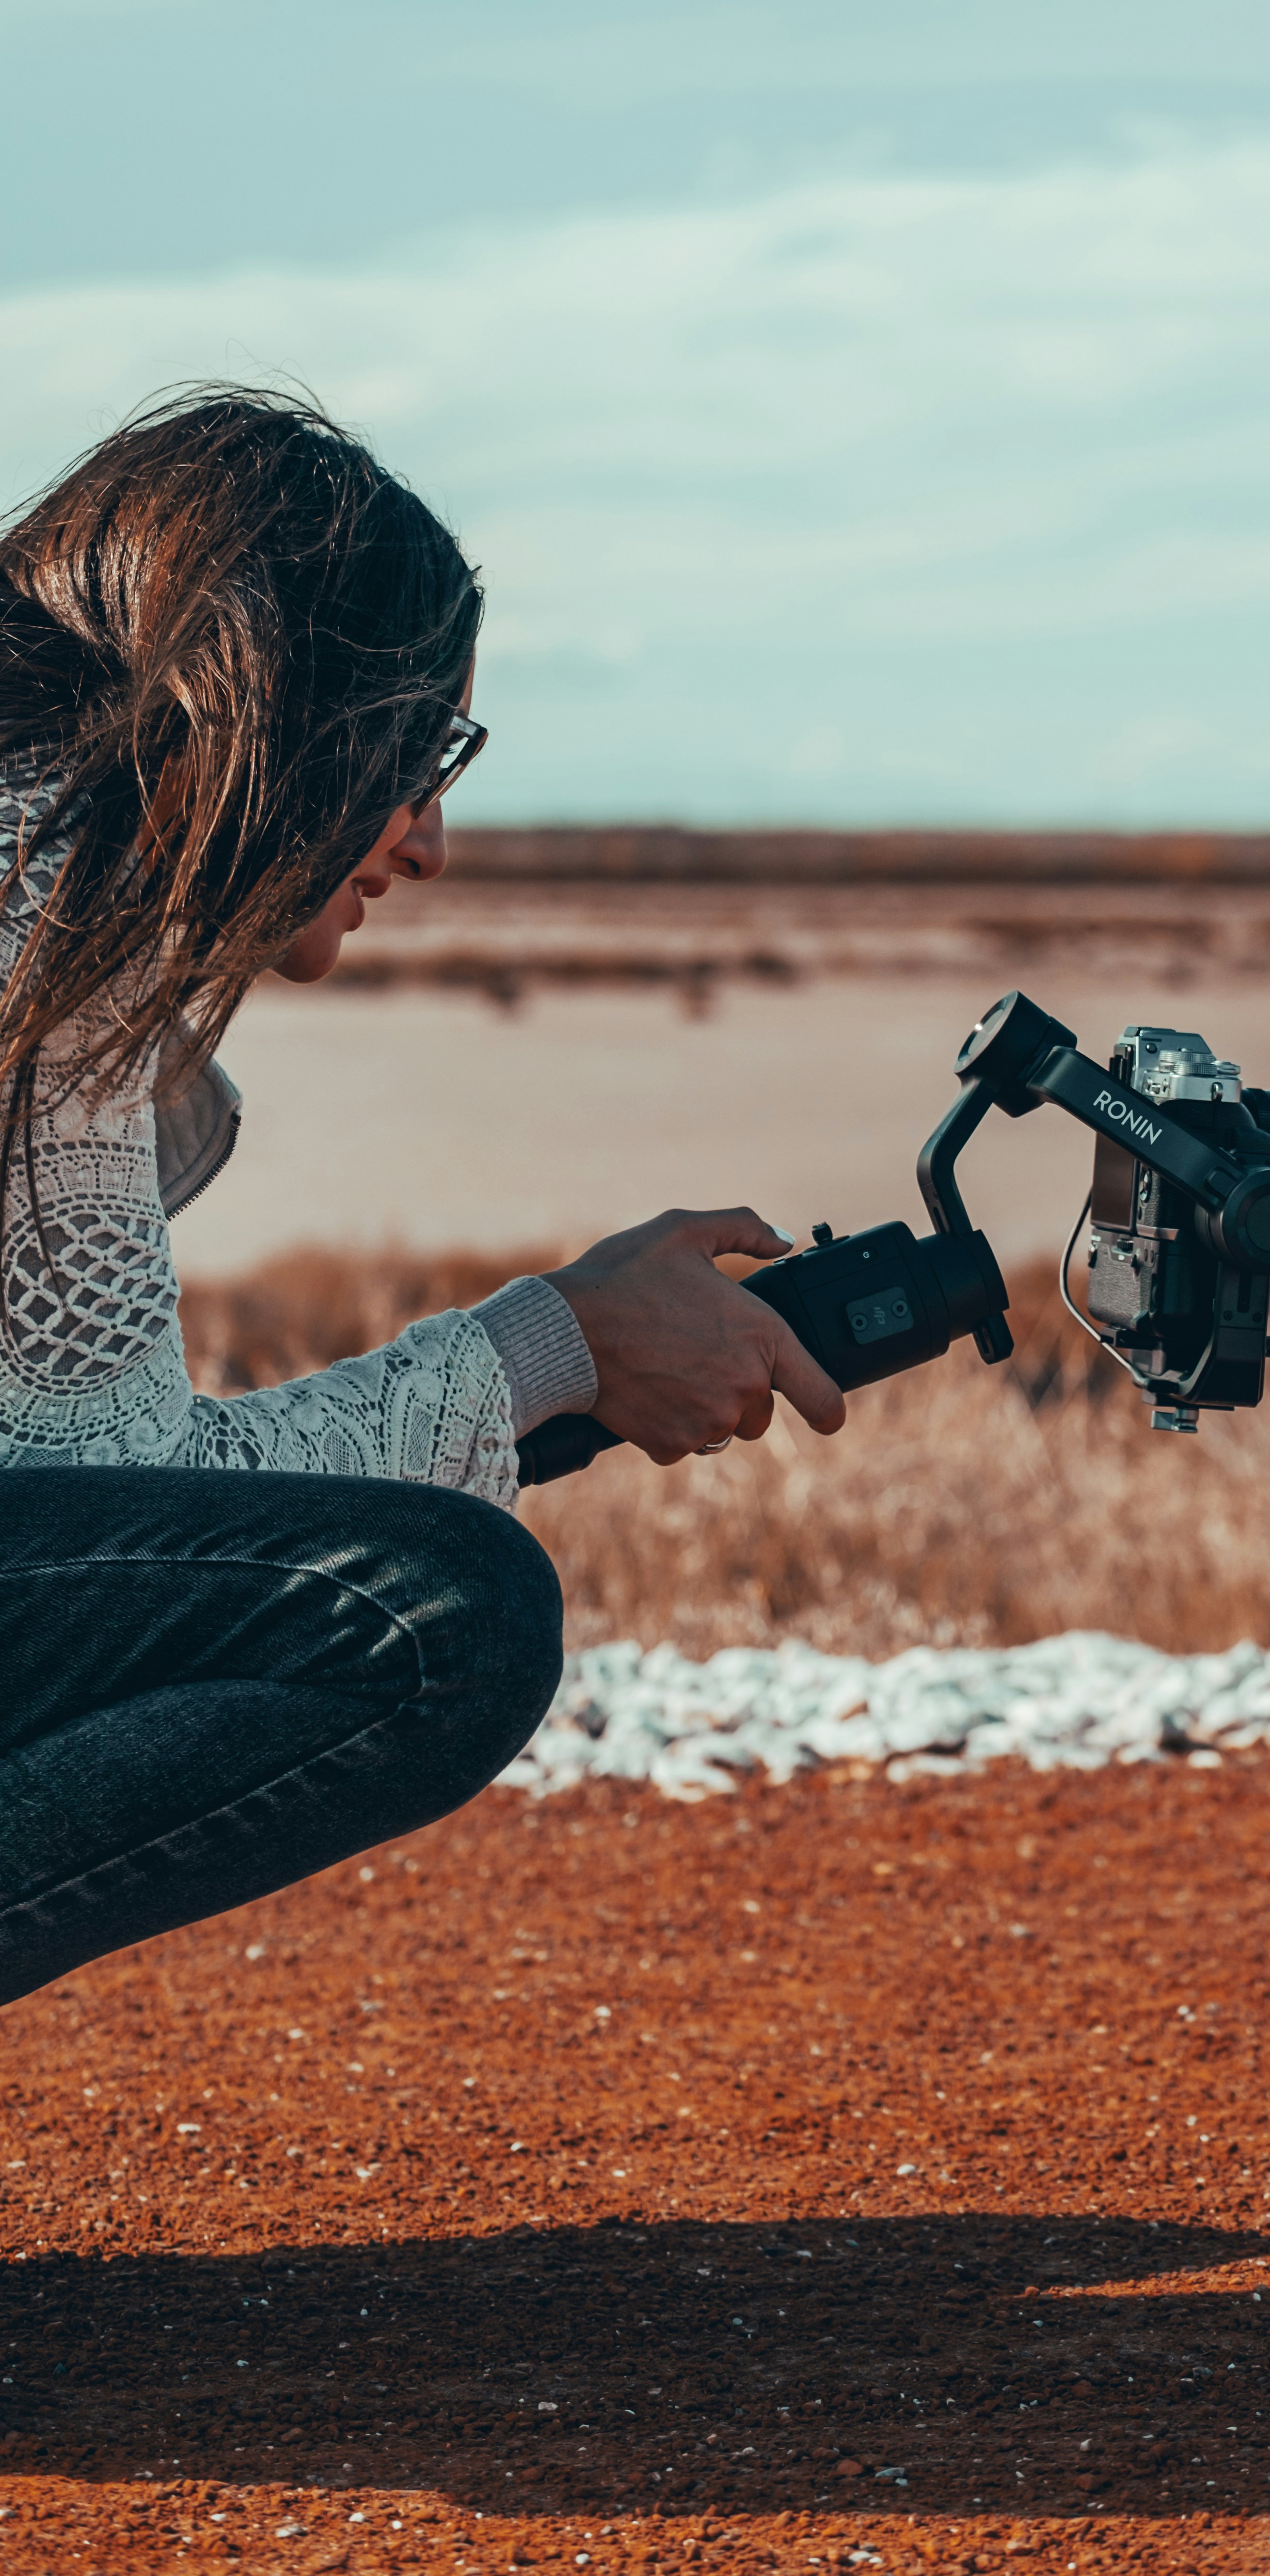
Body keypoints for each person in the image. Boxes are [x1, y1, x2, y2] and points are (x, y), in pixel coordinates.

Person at [0, 386, 844, 2008]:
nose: (432, 839)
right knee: (436, 1615)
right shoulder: (42, 906)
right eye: (420, 751)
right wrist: (556, 1350)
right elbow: (117, 1496)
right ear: (271, 708)